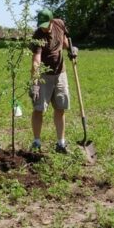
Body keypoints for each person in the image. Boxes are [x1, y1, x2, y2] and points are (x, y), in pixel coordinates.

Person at [29, 9, 78, 153]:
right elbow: (36, 60)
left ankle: (61, 143)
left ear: (51, 21)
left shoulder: (60, 24)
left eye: (45, 24)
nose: (43, 27)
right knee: (39, 109)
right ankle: (37, 142)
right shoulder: (38, 35)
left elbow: (64, 41)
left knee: (60, 108)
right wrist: (35, 82)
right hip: (43, 76)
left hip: (60, 73)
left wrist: (72, 49)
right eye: (41, 25)